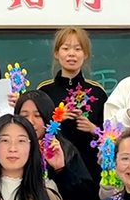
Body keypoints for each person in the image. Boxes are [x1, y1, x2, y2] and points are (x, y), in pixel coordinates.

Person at [38, 27, 107, 185]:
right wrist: (57, 119)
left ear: (85, 54)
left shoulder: (97, 92)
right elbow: (36, 131)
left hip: (91, 171)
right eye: (66, 48)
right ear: (57, 53)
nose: (71, 54)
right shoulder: (44, 91)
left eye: (78, 49)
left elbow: (111, 136)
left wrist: (93, 129)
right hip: (53, 169)